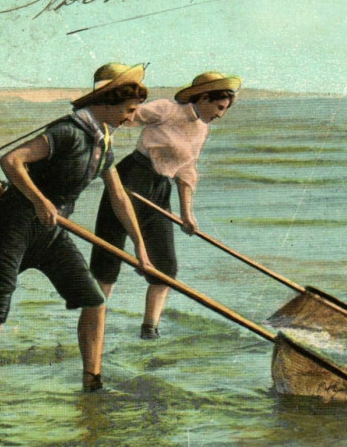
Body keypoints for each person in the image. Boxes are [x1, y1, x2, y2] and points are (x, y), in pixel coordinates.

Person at [0, 62, 153, 398]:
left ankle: (92, 382)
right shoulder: (67, 132)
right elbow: (11, 161)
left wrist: (140, 247)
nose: (131, 118)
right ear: (108, 102)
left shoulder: (103, 142)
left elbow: (118, 197)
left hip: (50, 231)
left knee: (94, 300)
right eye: (129, 110)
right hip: (14, 224)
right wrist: (40, 201)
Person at [90, 72, 241, 339]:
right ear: (204, 97)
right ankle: (94, 324)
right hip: (131, 178)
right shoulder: (167, 110)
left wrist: (187, 214)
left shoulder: (203, 129)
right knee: (109, 256)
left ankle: (150, 330)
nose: (220, 115)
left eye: (225, 110)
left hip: (160, 189)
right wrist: (100, 142)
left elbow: (186, 170)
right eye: (219, 107)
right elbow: (124, 117)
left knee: (165, 268)